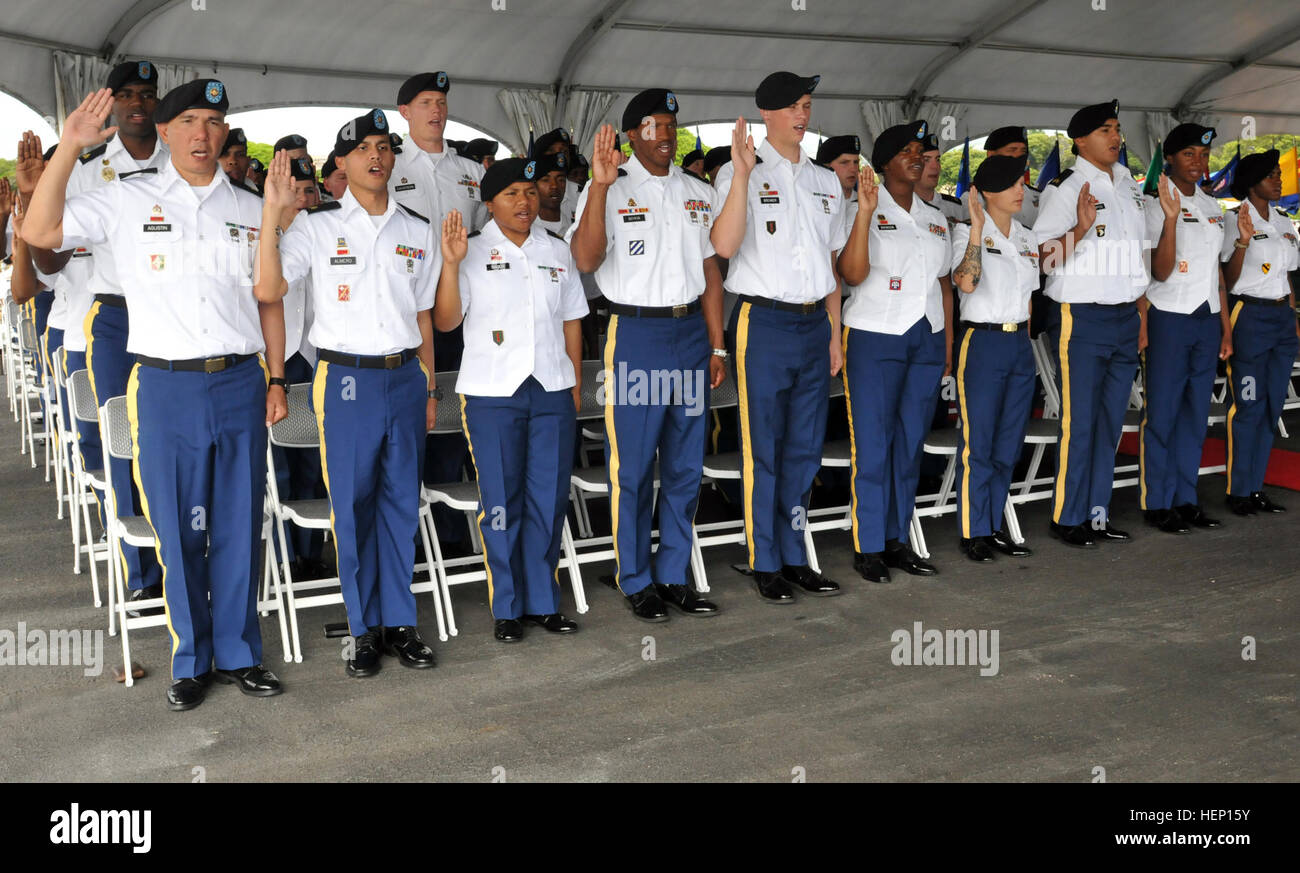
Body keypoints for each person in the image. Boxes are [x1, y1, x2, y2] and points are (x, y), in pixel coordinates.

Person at [25, 81, 284, 711]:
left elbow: (268, 301)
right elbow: (40, 229)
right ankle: (192, 657)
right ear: (164, 133)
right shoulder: (122, 199)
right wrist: (69, 150)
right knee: (176, 526)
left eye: (214, 121)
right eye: (189, 121)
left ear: (224, 134)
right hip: (165, 384)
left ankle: (241, 652)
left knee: (238, 524)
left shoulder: (254, 208)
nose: (203, 133)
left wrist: (276, 378)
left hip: (239, 380)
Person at [255, 109, 440, 677]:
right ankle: (364, 629)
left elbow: (426, 315)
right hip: (348, 379)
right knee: (353, 506)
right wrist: (273, 217)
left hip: (406, 376)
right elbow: (268, 287)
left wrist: (429, 385)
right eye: (364, 149)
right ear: (342, 162)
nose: (377, 157)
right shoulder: (316, 227)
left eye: (385, 147)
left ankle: (401, 623)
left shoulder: (417, 229)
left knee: (400, 502)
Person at [569, 89, 726, 620]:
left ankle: (673, 574)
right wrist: (598, 185)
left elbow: (709, 274)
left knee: (685, 465)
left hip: (689, 338)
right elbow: (585, 258)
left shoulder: (697, 191)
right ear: (633, 134)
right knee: (633, 467)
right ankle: (635, 577)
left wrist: (717, 342)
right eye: (655, 127)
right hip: (636, 335)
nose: (667, 136)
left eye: (672, 126)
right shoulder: (608, 187)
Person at [435, 159, 587, 641]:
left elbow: (572, 320)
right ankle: (507, 606)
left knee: (548, 497)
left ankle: (543, 599)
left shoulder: (556, 250)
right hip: (493, 392)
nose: (525, 202)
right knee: (502, 501)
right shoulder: (472, 251)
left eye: (530, 191)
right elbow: (445, 322)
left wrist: (574, 381)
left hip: (551, 388)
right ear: (489, 202)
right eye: (511, 194)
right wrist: (453, 263)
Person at [711, 71, 846, 602]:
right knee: (763, 447)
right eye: (793, 106)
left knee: (804, 449)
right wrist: (743, 176)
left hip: (815, 324)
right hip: (763, 323)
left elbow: (831, 266)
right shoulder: (736, 172)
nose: (803, 114)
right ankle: (763, 557)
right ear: (766, 114)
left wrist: (835, 333)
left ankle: (794, 553)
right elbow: (723, 247)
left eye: (808, 104)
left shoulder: (825, 181)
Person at [70, 60, 170, 609]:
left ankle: (176, 555)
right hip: (114, 316)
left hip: (168, 315)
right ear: (111, 104)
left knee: (165, 439)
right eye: (127, 94)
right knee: (120, 440)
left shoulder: (180, 161)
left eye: (147, 94)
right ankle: (140, 572)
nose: (138, 103)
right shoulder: (89, 167)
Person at [837, 120, 954, 581]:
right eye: (907, 151)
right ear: (883, 164)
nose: (919, 157)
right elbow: (851, 273)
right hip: (875, 335)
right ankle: (868, 547)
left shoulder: (935, 218)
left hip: (924, 337)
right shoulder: (858, 208)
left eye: (921, 151)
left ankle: (896, 540)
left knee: (909, 445)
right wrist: (865, 213)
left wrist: (944, 343)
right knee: (873, 444)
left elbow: (943, 287)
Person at [1034, 99, 1149, 548]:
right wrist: (1080, 229)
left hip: (1124, 315)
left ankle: (1097, 515)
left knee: (1110, 423)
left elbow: (1136, 257)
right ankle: (1067, 518)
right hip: (1081, 317)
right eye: (1105, 129)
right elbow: (1045, 258)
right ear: (1080, 140)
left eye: (1117, 128)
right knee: (1080, 423)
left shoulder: (1128, 184)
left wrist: (1139, 315)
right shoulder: (1065, 188)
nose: (1116, 136)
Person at [949, 155, 1039, 562]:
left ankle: (994, 523)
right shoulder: (965, 232)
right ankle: (974, 530)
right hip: (982, 343)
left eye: (1021, 182)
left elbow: (1029, 299)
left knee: (1008, 442)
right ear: (986, 193)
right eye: (1011, 184)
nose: (1021, 189)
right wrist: (978, 232)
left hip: (1018, 343)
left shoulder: (1027, 237)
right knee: (979, 441)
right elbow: (966, 283)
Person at [1139, 123, 1228, 532]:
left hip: (1206, 317)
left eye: (1204, 155)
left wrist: (1225, 328)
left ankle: (1186, 497)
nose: (1198, 162)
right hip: (1170, 316)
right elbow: (1155, 272)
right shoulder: (1154, 206)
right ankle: (1157, 501)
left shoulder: (1213, 207)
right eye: (1189, 154)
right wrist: (1172, 219)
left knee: (1195, 414)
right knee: (1163, 412)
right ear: (1170, 159)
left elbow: (1218, 275)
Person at [1220, 149, 1300, 515]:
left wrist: (1293, 314)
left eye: (1277, 175)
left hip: (1281, 318)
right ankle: (1238, 491)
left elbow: (1286, 275)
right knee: (1248, 405)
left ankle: (1255, 488)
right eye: (1271, 176)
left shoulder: (1284, 221)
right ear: (1252, 184)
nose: (1278, 181)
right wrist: (1243, 242)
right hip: (1250, 317)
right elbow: (1229, 279)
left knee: (1271, 406)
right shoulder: (1233, 220)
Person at [983, 126, 1039, 226]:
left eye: (1023, 151)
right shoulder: (976, 197)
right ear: (991, 154)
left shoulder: (1036, 195)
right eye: (1012, 150)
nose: (1019, 156)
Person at [916, 133, 966, 228]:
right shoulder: (901, 206)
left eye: (937, 159)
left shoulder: (954, 207)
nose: (935, 167)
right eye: (926, 160)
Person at [533, 150, 570, 236]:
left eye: (561, 180)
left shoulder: (574, 225)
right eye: (546, 180)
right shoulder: (525, 227)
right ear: (534, 185)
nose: (554, 186)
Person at [816, 135, 862, 200]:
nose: (853, 169)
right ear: (826, 167)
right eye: (844, 162)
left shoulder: (869, 203)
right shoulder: (812, 202)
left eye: (856, 162)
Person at [219, 127, 254, 191]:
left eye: (240, 155)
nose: (233, 161)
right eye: (224, 154)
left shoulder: (261, 199)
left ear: (248, 161)